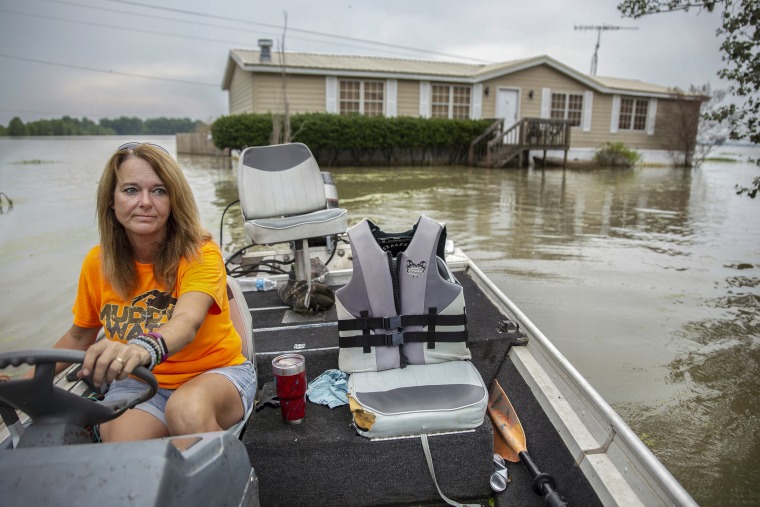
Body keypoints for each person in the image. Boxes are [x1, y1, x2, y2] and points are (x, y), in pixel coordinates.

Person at [32, 142, 256, 442]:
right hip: (138, 383)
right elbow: (78, 337)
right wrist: (24, 383)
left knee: (185, 412)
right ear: (111, 200)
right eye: (131, 190)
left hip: (215, 375)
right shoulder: (96, 263)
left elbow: (186, 322)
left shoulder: (200, 253)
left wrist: (139, 349)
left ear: (174, 200)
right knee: (124, 443)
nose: (145, 202)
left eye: (159, 191)